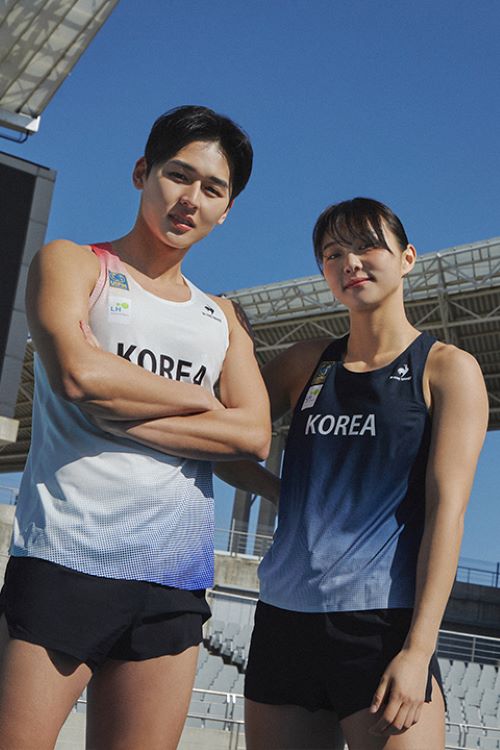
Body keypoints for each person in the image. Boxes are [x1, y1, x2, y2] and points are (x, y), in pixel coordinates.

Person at [0, 105, 271, 750]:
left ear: (227, 209)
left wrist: (118, 406)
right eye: (179, 175)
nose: (192, 198)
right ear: (142, 172)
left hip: (172, 582)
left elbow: (253, 435)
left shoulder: (221, 317)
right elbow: (78, 376)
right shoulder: (75, 263)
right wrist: (203, 401)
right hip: (64, 557)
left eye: (213, 189)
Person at [216, 197, 488, 750]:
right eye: (333, 253)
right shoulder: (307, 363)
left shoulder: (446, 369)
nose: (350, 262)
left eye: (366, 246)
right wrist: (281, 491)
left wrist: (418, 650)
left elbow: (447, 513)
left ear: (407, 258)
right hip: (283, 619)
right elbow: (223, 442)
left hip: (381, 624)